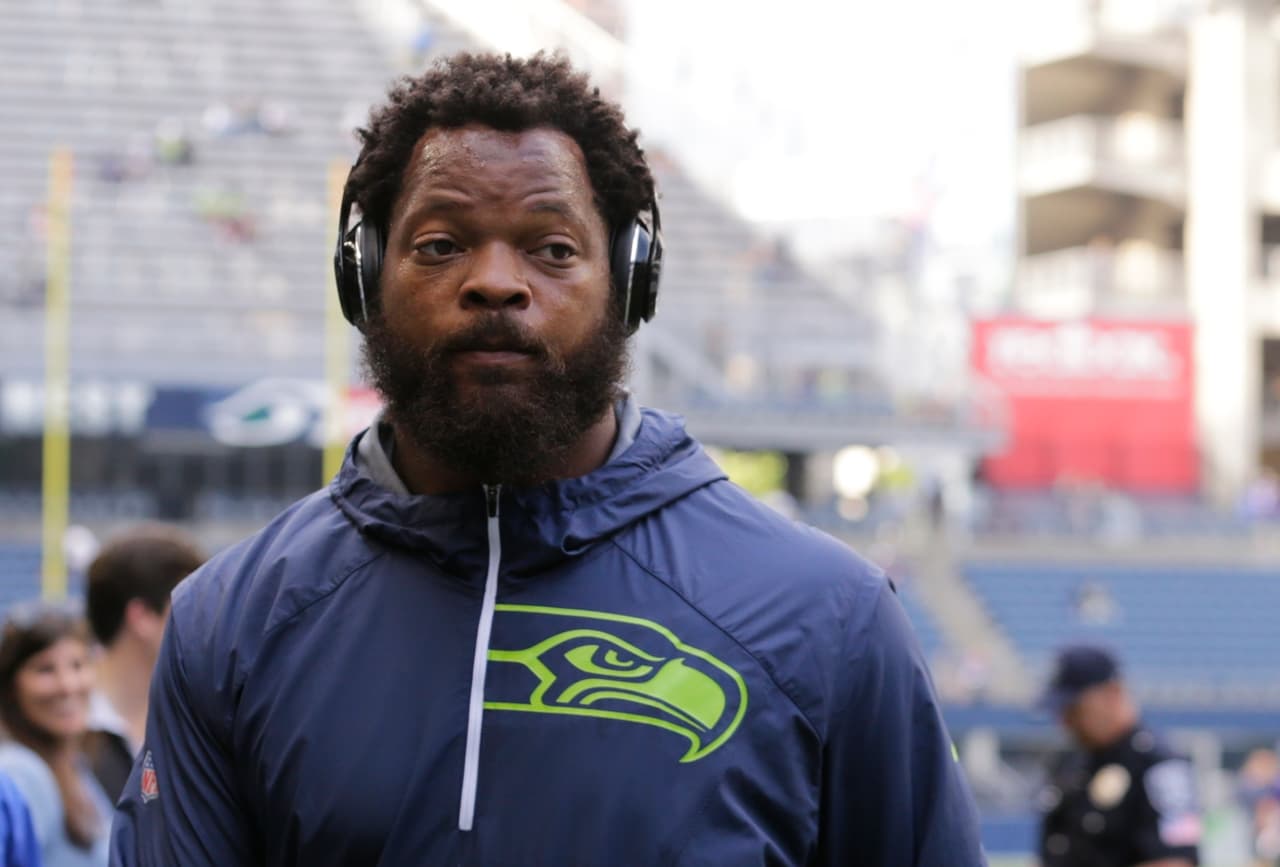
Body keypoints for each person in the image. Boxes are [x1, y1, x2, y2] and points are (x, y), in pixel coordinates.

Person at [110, 51, 984, 866]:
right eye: (441, 244)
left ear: (631, 283)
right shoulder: (229, 625)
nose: (496, 280)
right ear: (365, 276)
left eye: (553, 248)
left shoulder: (829, 616)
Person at [1038, 644, 1200, 867]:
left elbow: (1174, 862)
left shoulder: (1159, 766)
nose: (1065, 721)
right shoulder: (1070, 764)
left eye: (1075, 709)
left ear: (1111, 694)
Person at [83, 526, 205, 801]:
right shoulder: (62, 726)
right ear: (143, 617)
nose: (208, 622)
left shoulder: (199, 721)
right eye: (193, 607)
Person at [0, 602, 111, 867]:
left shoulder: (75, 764)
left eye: (77, 665)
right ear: (12, 686)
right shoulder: (20, 771)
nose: (67, 685)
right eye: (45, 670)